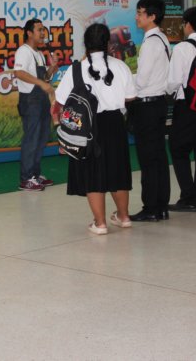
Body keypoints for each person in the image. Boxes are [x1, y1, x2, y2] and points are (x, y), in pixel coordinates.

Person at [54, 23, 136, 234]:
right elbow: (130, 97)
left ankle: (100, 224)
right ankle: (124, 217)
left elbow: (61, 100)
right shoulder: (121, 66)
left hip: (88, 128)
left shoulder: (75, 69)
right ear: (108, 43)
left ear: (85, 44)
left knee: (93, 173)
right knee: (118, 170)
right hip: (115, 124)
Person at [128, 0, 171, 222]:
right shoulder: (161, 39)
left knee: (148, 159)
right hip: (158, 103)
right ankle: (161, 205)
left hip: (147, 106)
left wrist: (124, 83)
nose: (136, 17)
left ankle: (151, 207)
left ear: (152, 16)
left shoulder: (151, 43)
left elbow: (141, 80)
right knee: (159, 157)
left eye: (140, 13)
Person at [168, 7, 196, 213]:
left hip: (187, 106)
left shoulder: (182, 48)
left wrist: (164, 91)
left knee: (178, 150)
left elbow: (174, 81)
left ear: (188, 24)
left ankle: (188, 197)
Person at [14, 18, 59, 191]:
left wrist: (52, 68)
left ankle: (34, 174)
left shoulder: (39, 54)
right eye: (39, 30)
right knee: (31, 139)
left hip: (41, 100)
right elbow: (19, 72)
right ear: (29, 33)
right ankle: (26, 179)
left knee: (41, 138)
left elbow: (45, 78)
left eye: (43, 30)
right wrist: (41, 83)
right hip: (30, 101)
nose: (42, 33)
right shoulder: (23, 51)